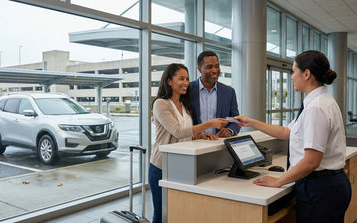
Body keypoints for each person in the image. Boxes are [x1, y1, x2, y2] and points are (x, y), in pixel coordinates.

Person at [235, 50, 351, 223]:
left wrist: (279, 181)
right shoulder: (317, 102)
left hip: (320, 189)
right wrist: (252, 122)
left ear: (306, 74)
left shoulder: (316, 108)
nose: (291, 77)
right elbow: (287, 132)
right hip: (325, 186)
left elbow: (312, 160)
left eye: (293, 71)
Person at [149, 63, 228, 223]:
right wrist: (210, 124)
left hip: (181, 165)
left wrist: (200, 136)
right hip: (162, 166)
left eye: (187, 78)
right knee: (161, 214)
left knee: (178, 212)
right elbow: (177, 131)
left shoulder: (184, 104)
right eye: (181, 79)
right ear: (169, 81)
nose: (186, 82)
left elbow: (184, 135)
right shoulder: (161, 104)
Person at [190, 51, 241, 138]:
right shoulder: (188, 90)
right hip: (195, 144)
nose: (215, 70)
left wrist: (229, 130)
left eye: (217, 66)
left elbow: (235, 120)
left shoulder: (229, 92)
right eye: (209, 67)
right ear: (199, 69)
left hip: (219, 144)